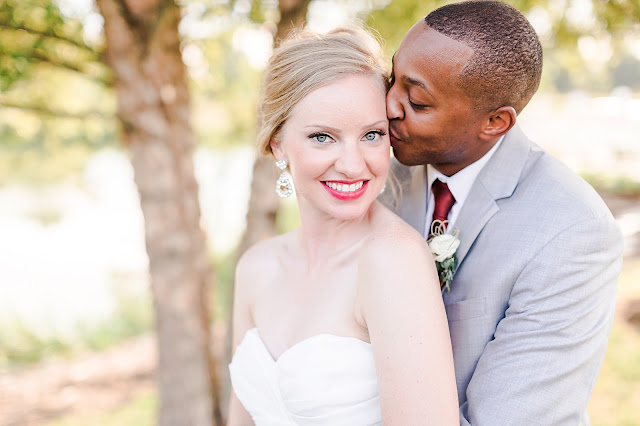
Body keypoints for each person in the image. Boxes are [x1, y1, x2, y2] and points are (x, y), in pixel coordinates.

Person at [380, 1, 624, 425]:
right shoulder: (374, 170)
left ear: (495, 122)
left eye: (417, 101)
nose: (388, 106)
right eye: (391, 78)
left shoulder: (573, 232)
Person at [227, 27, 460, 425]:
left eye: (372, 134)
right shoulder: (255, 267)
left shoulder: (392, 260)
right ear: (277, 143)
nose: (353, 165)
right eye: (323, 137)